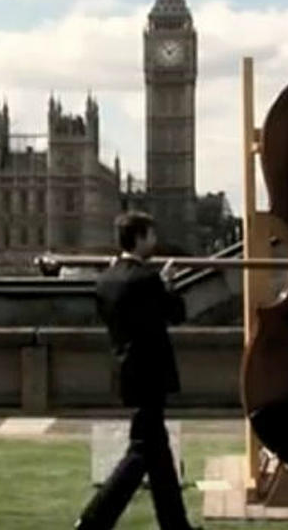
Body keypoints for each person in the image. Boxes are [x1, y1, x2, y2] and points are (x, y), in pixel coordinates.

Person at [74, 211, 201, 530]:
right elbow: (177, 313)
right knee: (142, 452)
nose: (155, 242)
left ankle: (176, 525)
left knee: (158, 455)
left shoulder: (105, 280)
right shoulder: (146, 279)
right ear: (141, 237)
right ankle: (93, 520)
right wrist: (168, 284)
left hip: (126, 369)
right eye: (152, 236)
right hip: (152, 372)